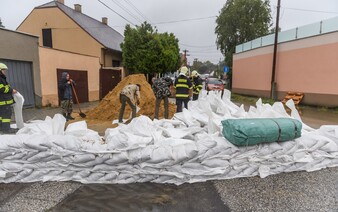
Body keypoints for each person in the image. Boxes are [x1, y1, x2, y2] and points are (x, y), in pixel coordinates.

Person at [0, 63, 18, 134]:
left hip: (2, 102)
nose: (5, 72)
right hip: (4, 102)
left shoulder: (2, 78)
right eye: (4, 70)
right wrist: (11, 90)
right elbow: (1, 89)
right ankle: (6, 130)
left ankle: (2, 128)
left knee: (1, 116)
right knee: (6, 116)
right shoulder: (0, 78)